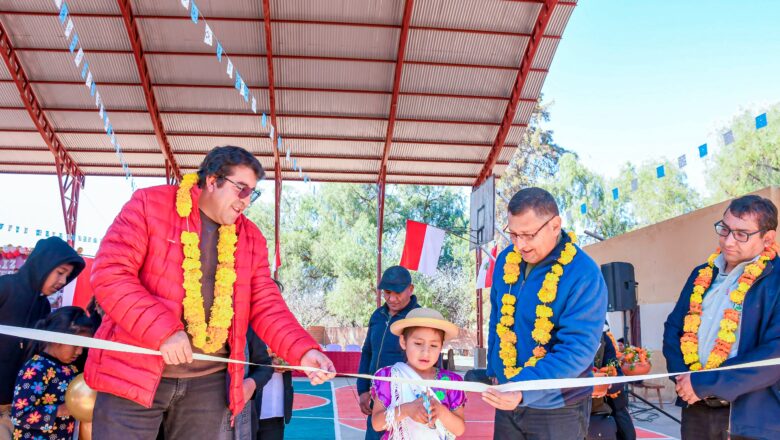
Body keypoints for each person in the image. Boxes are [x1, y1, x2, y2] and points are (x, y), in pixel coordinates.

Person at [84, 146, 335, 440]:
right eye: (241, 189)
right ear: (213, 180)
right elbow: (110, 274)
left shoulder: (251, 237)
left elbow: (266, 304)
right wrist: (163, 331)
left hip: (208, 385)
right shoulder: (149, 204)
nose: (246, 201)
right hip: (134, 374)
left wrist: (303, 351)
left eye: (252, 193)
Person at [482, 187, 608, 440]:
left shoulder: (583, 273)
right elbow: (497, 320)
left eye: (528, 234)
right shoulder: (507, 261)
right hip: (509, 399)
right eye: (514, 234)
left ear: (555, 225)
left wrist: (523, 389)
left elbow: (577, 350)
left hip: (559, 407)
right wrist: (494, 370)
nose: (520, 245)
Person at [663, 195, 780, 440]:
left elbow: (774, 354)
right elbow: (674, 329)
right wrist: (684, 380)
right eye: (724, 229)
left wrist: (705, 383)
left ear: (767, 238)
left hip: (750, 417)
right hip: (696, 409)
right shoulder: (701, 274)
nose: (728, 241)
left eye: (741, 234)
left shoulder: (775, 280)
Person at [0, 237, 84, 440]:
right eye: (60, 272)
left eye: (67, 276)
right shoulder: (4, 288)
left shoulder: (43, 307)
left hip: (11, 407)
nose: (63, 282)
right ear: (43, 263)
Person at [370, 308, 466, 439]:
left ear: (441, 346)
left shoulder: (450, 382)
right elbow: (377, 424)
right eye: (418, 343)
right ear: (403, 342)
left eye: (433, 345)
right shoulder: (389, 377)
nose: (425, 352)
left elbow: (459, 429)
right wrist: (407, 410)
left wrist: (441, 411)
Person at [11, 306, 93, 440]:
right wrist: (60, 410)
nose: (79, 352)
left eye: (82, 347)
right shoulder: (35, 369)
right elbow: (19, 416)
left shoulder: (71, 370)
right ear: (56, 337)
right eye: (76, 345)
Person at [357, 265, 420, 439]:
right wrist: (362, 390)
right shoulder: (377, 316)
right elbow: (367, 352)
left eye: (397, 293)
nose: (391, 299)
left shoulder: (418, 318)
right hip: (377, 399)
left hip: (407, 399)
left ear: (410, 289)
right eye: (387, 293)